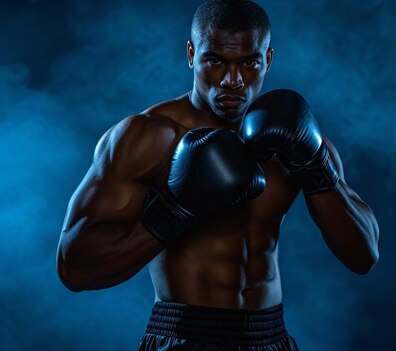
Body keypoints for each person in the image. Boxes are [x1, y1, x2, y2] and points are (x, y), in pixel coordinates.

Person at [56, 1, 379, 350]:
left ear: (267, 60)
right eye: (215, 61)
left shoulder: (292, 134)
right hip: (185, 336)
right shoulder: (148, 137)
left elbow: (364, 256)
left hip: (269, 337)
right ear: (191, 54)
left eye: (249, 63)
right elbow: (74, 268)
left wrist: (316, 168)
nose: (232, 81)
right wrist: (175, 211)